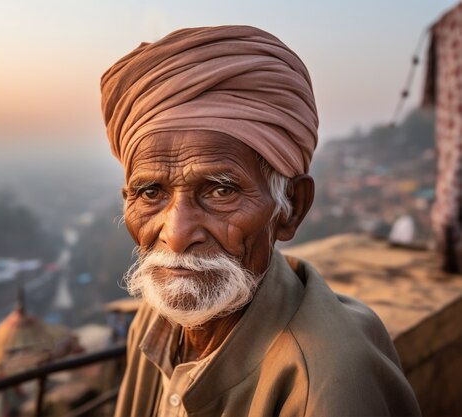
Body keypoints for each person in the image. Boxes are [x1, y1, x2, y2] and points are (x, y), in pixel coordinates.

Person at [100, 25, 421, 417]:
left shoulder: (328, 383)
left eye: (221, 191)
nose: (178, 234)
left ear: (291, 208)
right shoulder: (156, 321)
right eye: (151, 193)